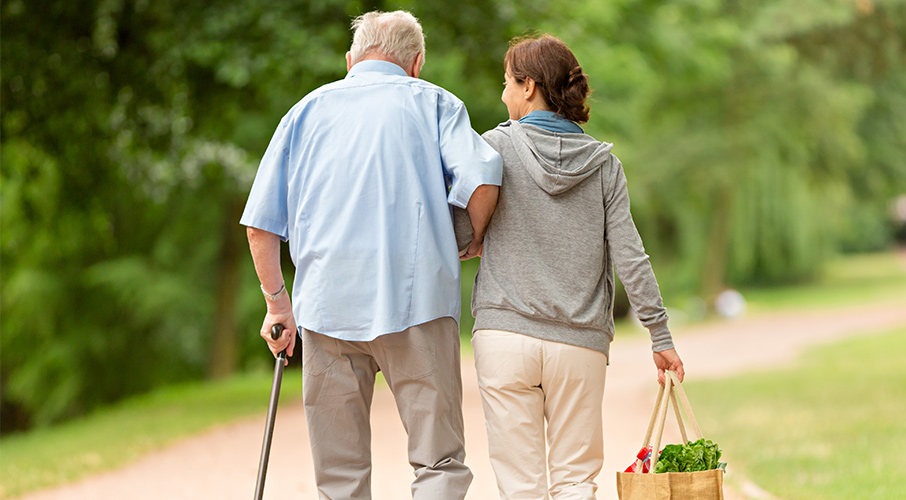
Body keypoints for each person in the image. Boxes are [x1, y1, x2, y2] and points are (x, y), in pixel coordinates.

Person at [239, 11, 502, 500]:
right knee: (438, 462)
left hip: (326, 310)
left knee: (339, 478)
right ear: (417, 63)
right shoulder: (436, 104)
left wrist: (279, 305)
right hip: (418, 303)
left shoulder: (304, 112)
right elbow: (484, 178)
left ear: (349, 60)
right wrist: (469, 238)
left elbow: (260, 227)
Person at [470, 34, 685, 500]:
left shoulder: (493, 149)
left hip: (505, 335)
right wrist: (659, 335)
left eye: (507, 83)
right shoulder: (605, 166)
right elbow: (631, 256)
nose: (503, 93)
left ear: (529, 88)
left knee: (520, 485)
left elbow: (463, 230)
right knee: (574, 481)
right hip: (579, 343)